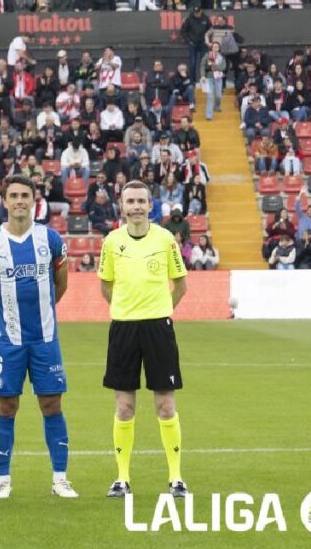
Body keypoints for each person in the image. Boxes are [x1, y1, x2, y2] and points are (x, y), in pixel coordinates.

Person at [0, 175, 77, 500]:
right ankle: (2, 479)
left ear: (34, 200)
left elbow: (61, 284)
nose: (19, 200)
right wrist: (4, 312)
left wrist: (44, 308)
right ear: (4, 201)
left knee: (51, 404)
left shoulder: (51, 239)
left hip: (45, 338)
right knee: (6, 406)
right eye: (14, 195)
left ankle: (60, 478)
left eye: (25, 195)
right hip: (9, 341)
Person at [98, 180, 189, 499]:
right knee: (124, 406)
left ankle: (176, 478)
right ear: (121, 206)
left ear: (151, 205)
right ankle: (122, 478)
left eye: (141, 201)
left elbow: (180, 284)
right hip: (123, 327)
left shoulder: (165, 239)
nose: (136, 206)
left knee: (165, 405)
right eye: (130, 201)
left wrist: (162, 311)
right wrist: (127, 309)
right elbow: (105, 286)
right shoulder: (111, 242)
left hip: (158, 329)